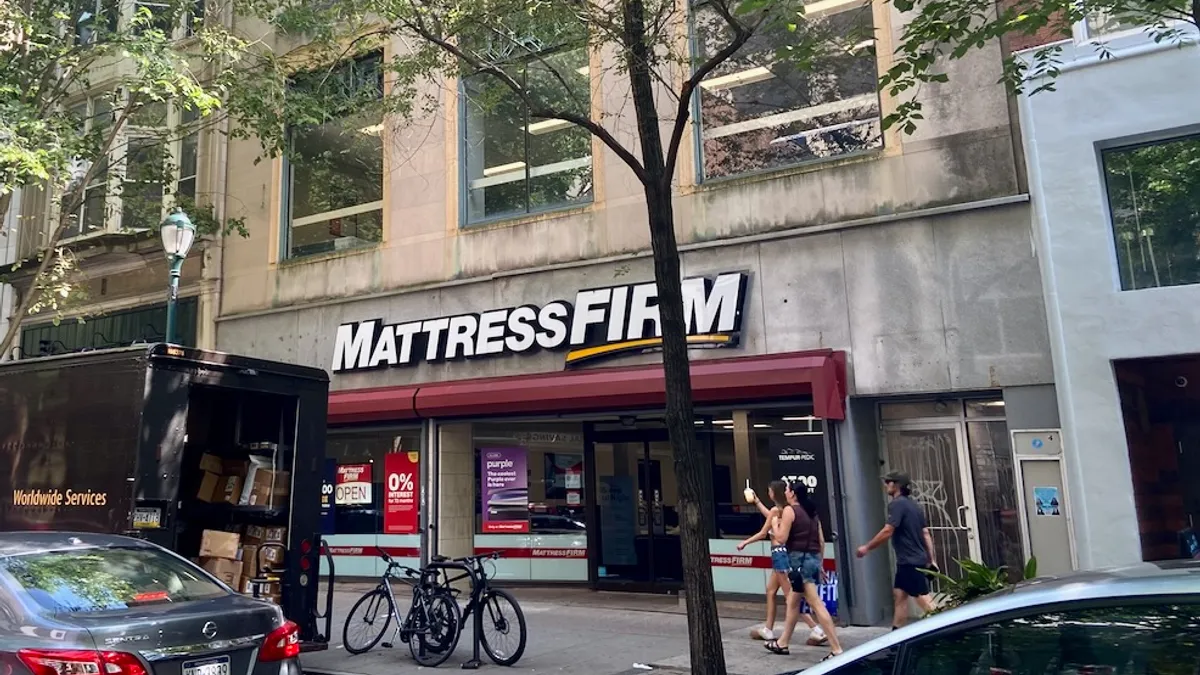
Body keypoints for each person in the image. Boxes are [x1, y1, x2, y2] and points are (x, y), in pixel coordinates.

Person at [739, 480, 827, 646]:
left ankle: (816, 629)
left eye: (770, 491)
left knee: (791, 597)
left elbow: (767, 529)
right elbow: (769, 519)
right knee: (771, 591)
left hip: (780, 556)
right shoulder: (784, 510)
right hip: (782, 555)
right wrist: (757, 502)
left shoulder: (781, 512)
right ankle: (768, 628)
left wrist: (745, 542)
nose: (768, 493)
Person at [764, 480, 843, 659]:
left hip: (799, 562)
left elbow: (782, 538)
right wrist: (819, 563)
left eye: (787, 490)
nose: (785, 492)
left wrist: (775, 524)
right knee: (792, 602)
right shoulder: (812, 513)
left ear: (792, 493)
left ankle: (836, 649)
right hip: (812, 559)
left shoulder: (791, 511)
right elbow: (821, 540)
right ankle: (783, 643)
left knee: (815, 603)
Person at [856, 470, 939, 629]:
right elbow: (926, 533)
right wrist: (931, 559)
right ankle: (897, 633)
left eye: (888, 482)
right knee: (900, 595)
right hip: (913, 559)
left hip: (910, 560)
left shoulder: (896, 504)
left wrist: (867, 547)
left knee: (923, 598)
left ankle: (948, 628)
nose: (886, 485)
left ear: (896, 485)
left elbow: (888, 530)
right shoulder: (914, 505)